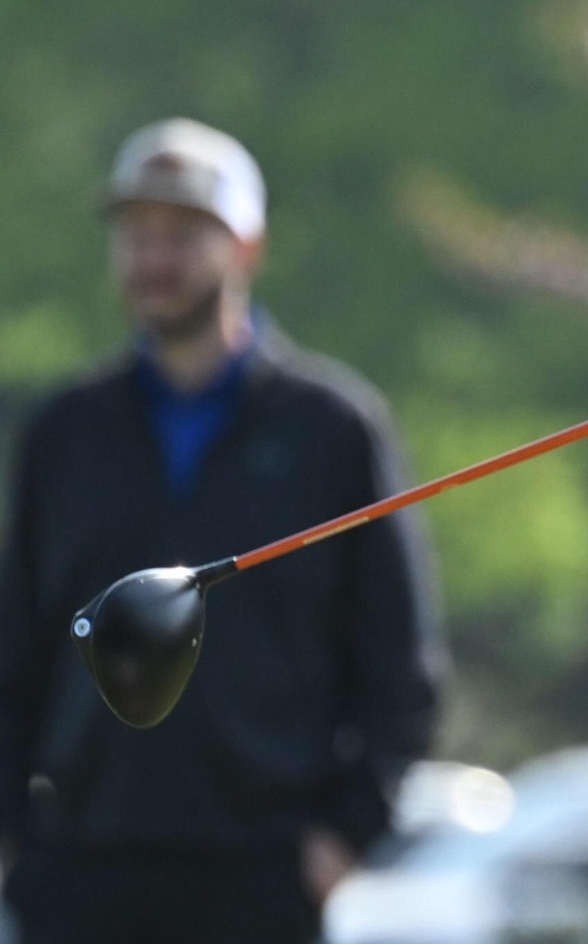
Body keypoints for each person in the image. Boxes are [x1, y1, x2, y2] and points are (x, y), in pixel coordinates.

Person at [0, 118, 446, 944]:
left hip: (264, 876)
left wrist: (343, 837)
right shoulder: (64, 431)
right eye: (136, 236)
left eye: (182, 235)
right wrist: (14, 844)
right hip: (80, 871)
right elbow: (14, 644)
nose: (154, 259)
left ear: (247, 247)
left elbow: (400, 661)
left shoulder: (334, 427)